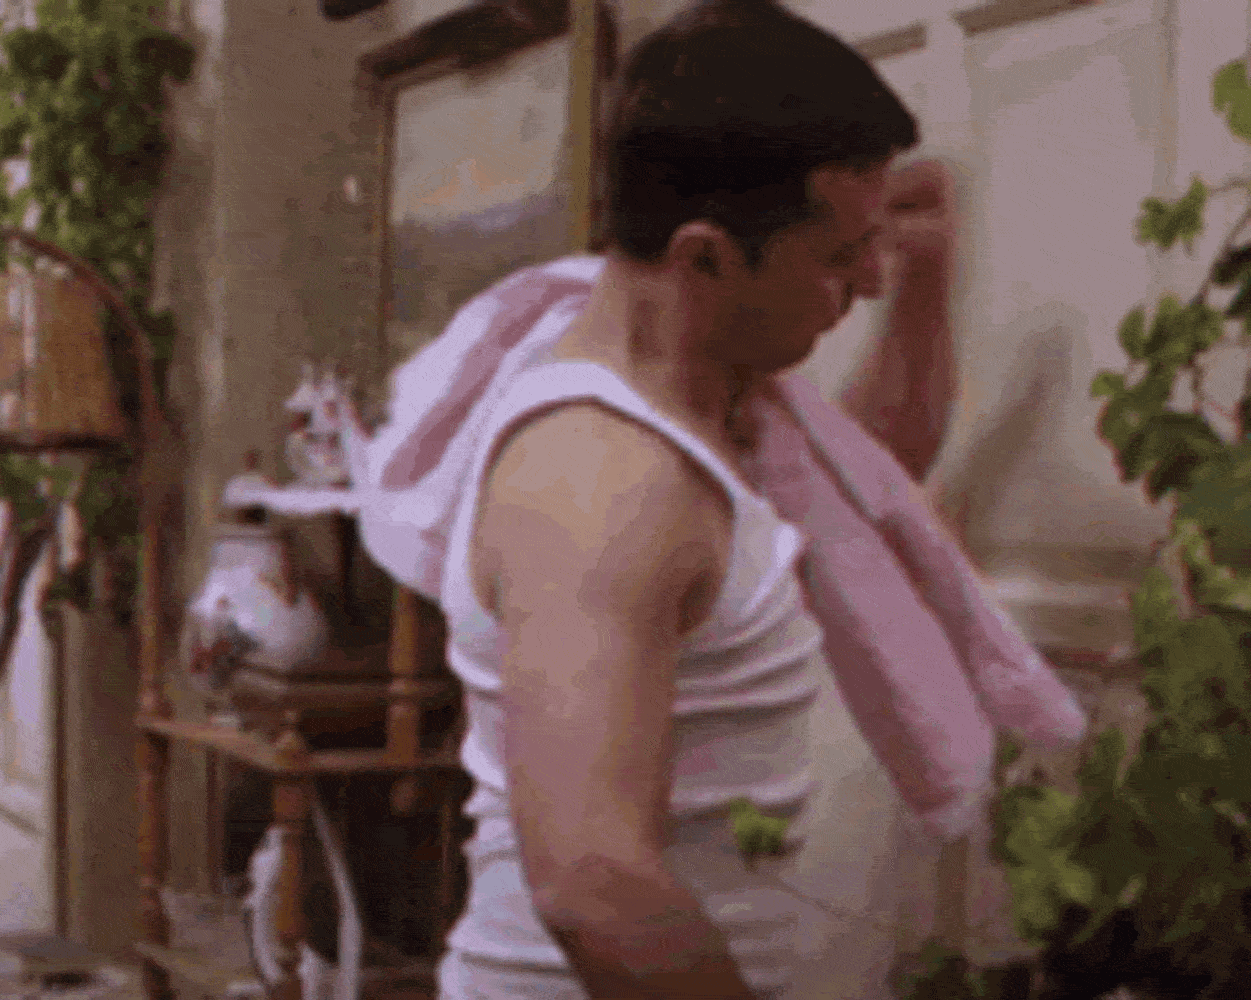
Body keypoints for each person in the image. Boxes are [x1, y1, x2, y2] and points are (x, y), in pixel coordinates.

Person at [379, 1, 975, 997]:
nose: (867, 280)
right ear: (704, 257)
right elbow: (593, 882)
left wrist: (926, 277)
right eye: (839, 258)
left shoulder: (706, 401)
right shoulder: (606, 483)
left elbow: (865, 484)